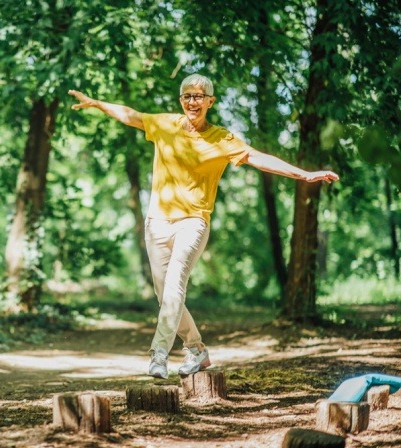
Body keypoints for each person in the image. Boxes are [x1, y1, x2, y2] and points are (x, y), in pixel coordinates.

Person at [68, 74, 339, 379]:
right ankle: (197, 350)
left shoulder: (222, 139)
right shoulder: (165, 124)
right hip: (156, 222)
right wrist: (97, 104)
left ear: (211, 101)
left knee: (174, 286)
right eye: (186, 96)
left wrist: (304, 175)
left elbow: (258, 157)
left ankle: (159, 354)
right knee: (165, 296)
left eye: (198, 96)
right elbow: (130, 114)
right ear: (180, 100)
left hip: (193, 222)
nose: (192, 102)